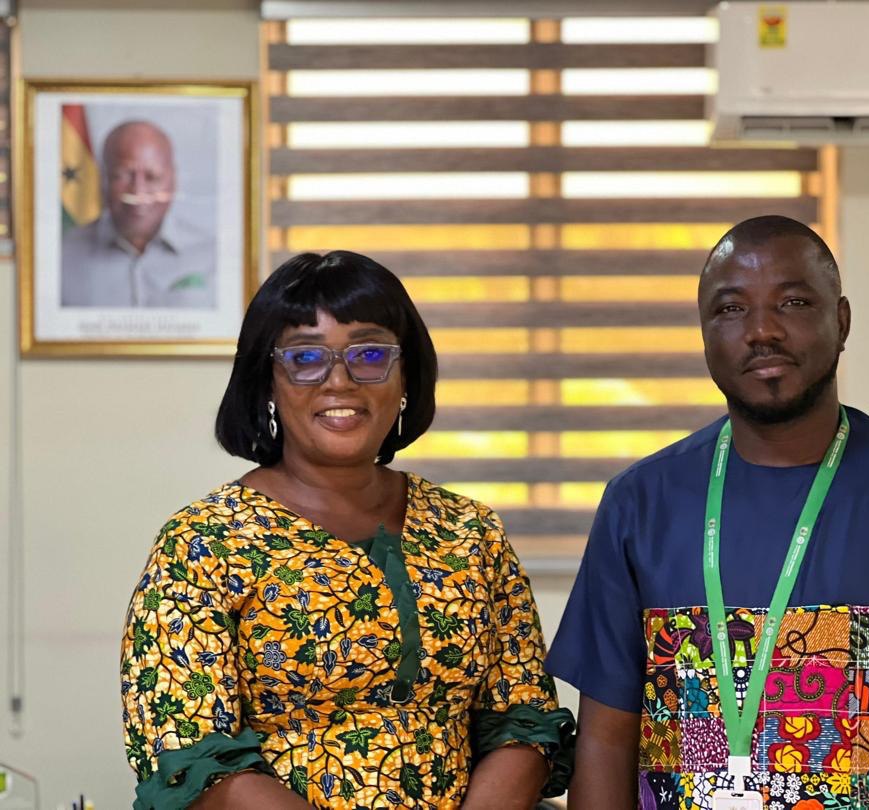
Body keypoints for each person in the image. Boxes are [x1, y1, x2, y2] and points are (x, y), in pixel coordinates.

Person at [545, 215, 869, 810]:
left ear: (841, 321)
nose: (762, 331)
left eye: (793, 302)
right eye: (731, 309)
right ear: (704, 334)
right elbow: (607, 740)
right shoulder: (640, 504)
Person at [120, 251, 574, 809]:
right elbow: (189, 755)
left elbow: (524, 719)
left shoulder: (470, 531)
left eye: (370, 354)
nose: (340, 380)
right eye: (306, 357)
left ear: (405, 377)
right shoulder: (204, 542)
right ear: (267, 383)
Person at [61, 119, 216, 309]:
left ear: (173, 180)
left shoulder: (215, 257)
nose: (138, 192)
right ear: (103, 180)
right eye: (123, 175)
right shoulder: (62, 256)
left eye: (152, 177)